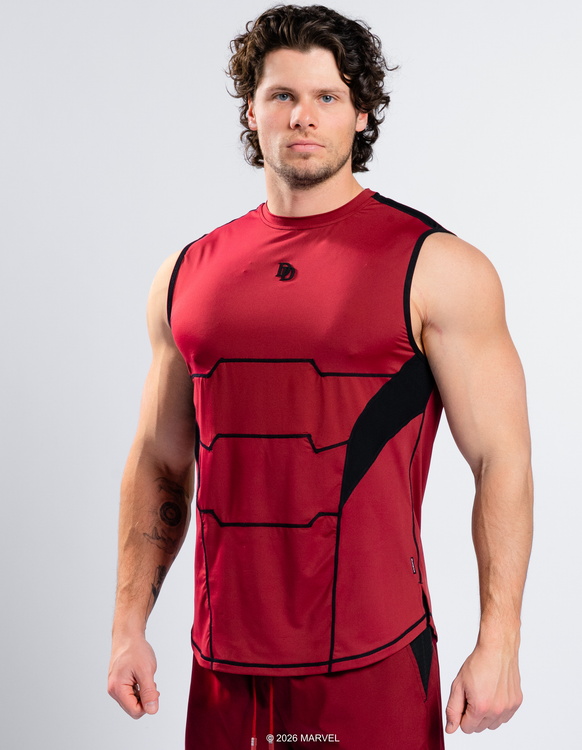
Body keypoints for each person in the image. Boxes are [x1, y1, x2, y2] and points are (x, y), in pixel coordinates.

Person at [108, 5, 533, 749]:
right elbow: (159, 460)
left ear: (361, 113)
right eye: (282, 95)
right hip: (224, 670)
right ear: (251, 110)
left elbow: (503, 459)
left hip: (373, 664)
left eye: (327, 96)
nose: (303, 116)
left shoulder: (437, 267)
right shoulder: (187, 275)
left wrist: (499, 642)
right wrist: (127, 628)